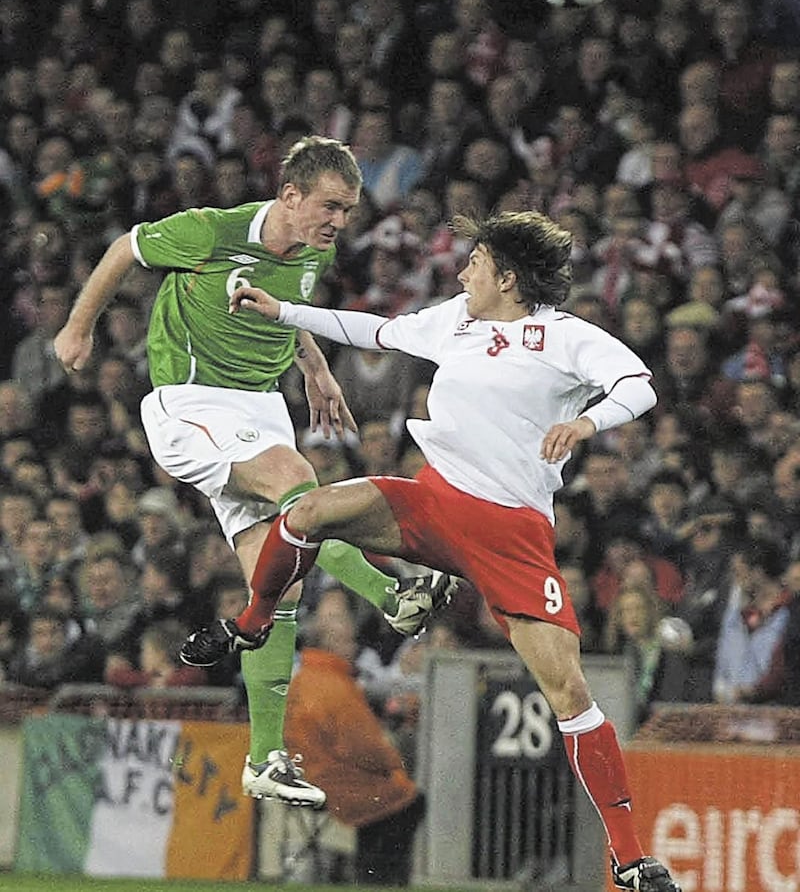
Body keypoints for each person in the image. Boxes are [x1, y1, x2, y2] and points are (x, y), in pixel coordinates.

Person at [221, 209, 681, 892]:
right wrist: (284, 309)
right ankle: (255, 623)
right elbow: (375, 330)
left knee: (570, 693)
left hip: (510, 531)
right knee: (310, 510)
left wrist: (586, 421)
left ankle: (630, 857)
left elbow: (638, 385)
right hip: (435, 501)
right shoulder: (454, 322)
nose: (463, 271)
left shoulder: (563, 334)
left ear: (507, 276)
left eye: (475, 262)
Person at [53, 135, 456, 811]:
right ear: (289, 196)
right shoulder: (211, 231)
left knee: (279, 581)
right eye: (329, 206)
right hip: (190, 400)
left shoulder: (315, 249)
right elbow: (126, 248)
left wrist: (316, 365)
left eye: (348, 210)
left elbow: (286, 307)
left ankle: (264, 758)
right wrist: (78, 326)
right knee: (295, 478)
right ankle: (388, 594)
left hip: (262, 405)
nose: (338, 222)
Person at [284, 586, 425, 886]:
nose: (354, 646)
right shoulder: (334, 687)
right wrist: (394, 763)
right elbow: (362, 747)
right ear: (331, 644)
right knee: (408, 802)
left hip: (308, 775)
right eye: (348, 641)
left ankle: (369, 872)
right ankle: (380, 879)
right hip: (337, 780)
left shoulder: (303, 680)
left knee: (385, 804)